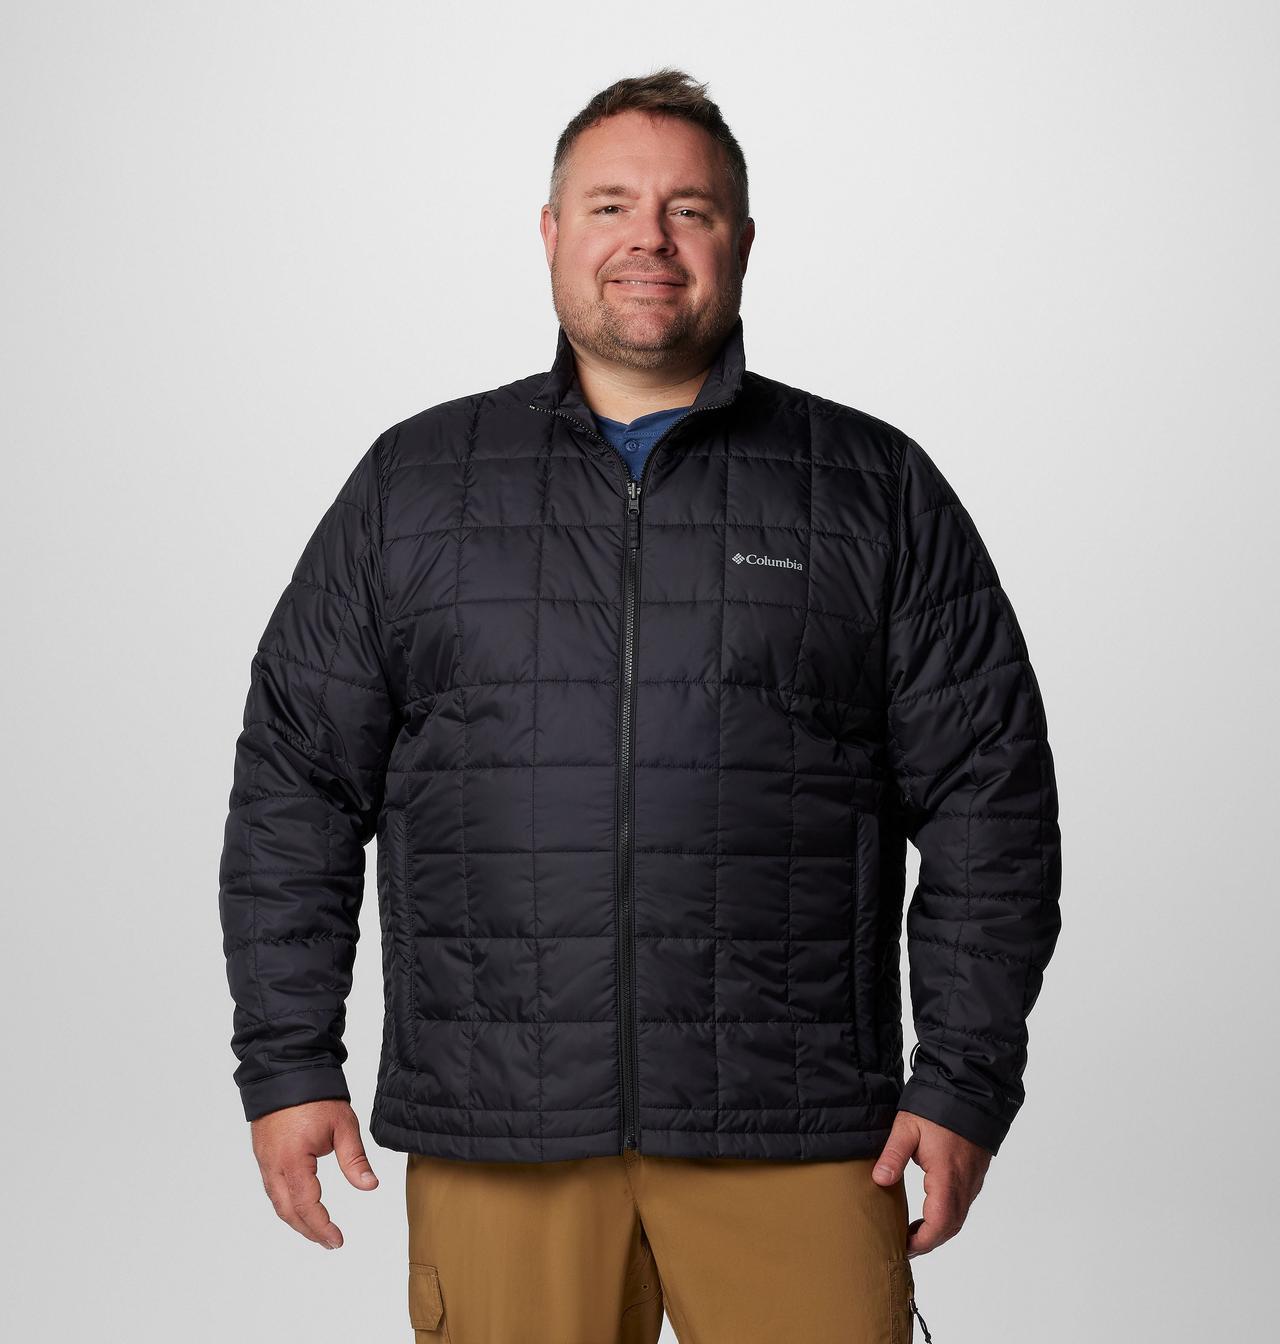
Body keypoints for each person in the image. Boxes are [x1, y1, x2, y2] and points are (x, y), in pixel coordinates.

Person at [217, 67, 1062, 1343]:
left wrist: (962, 1078)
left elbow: (988, 799)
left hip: (797, 1130)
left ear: (741, 240)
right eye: (610, 206)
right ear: (551, 232)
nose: (648, 241)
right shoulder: (414, 486)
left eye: (689, 210)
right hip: (503, 1128)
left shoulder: (872, 488)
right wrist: (287, 1058)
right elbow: (297, 783)